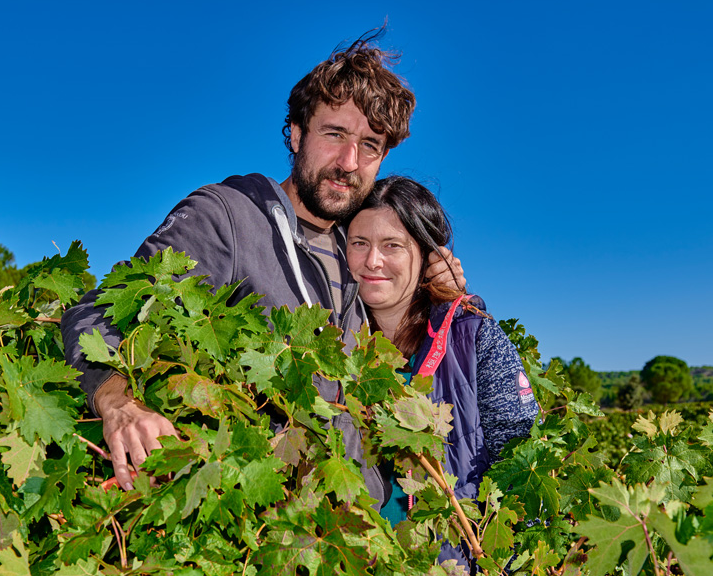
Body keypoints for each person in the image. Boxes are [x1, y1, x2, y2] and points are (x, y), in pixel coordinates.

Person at [61, 33, 464, 499]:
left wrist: (434, 293)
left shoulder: (354, 249)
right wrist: (118, 404)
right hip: (259, 528)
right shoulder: (228, 218)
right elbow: (96, 312)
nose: (349, 161)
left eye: (369, 145)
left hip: (344, 541)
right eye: (335, 134)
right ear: (296, 133)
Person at [344, 176, 539, 576]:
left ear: (430, 257)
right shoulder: (332, 348)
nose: (372, 261)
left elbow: (524, 479)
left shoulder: (474, 339)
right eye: (358, 243)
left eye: (392, 245)